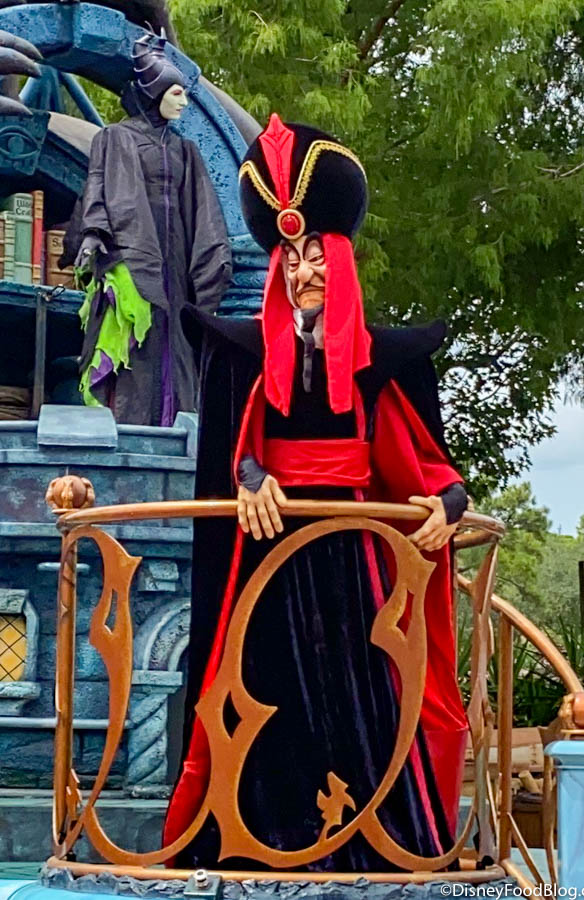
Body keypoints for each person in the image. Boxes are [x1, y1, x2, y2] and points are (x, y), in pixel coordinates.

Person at [164, 114, 469, 871]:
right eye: (291, 259)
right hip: (267, 554)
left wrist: (447, 506)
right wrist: (249, 477)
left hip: (353, 562)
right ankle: (250, 850)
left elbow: (424, 464)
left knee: (366, 699)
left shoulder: (383, 362)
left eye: (317, 257)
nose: (304, 272)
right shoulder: (240, 354)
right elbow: (233, 450)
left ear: (342, 260)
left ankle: (378, 849)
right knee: (260, 696)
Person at [63, 31, 232, 425]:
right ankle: (128, 427)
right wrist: (93, 234)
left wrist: (213, 262)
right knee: (134, 347)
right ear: (155, 92)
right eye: (176, 93)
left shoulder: (185, 150)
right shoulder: (115, 138)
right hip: (129, 255)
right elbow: (98, 185)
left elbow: (204, 210)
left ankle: (175, 426)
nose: (184, 102)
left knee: (176, 344)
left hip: (176, 265)